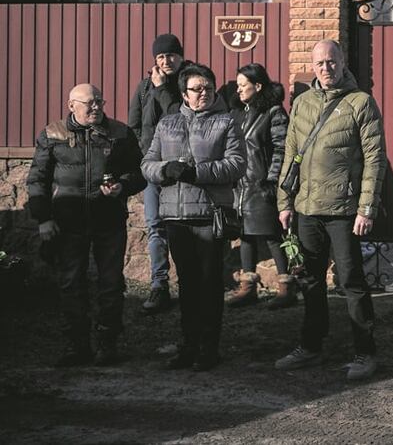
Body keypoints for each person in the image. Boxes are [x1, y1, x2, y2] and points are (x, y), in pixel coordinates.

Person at [274, 40, 387, 382]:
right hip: (307, 208)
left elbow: (375, 159)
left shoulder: (361, 103)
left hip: (343, 209)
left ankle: (365, 353)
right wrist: (284, 201)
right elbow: (290, 153)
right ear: (314, 66)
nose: (326, 68)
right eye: (320, 63)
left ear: (343, 61)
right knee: (310, 281)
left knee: (352, 282)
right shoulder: (302, 103)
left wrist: (366, 208)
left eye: (332, 61)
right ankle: (311, 346)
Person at [27, 84, 145, 366]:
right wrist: (43, 218)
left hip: (109, 221)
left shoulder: (119, 133)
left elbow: (140, 171)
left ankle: (108, 344)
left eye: (99, 102)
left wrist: (122, 186)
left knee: (111, 283)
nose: (96, 107)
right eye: (89, 103)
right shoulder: (52, 134)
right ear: (71, 106)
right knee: (71, 283)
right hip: (67, 224)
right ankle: (76, 346)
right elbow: (37, 180)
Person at [141, 63, 246, 371]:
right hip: (175, 215)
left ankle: (209, 348)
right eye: (198, 89)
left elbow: (237, 164)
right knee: (186, 284)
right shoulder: (167, 124)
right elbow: (147, 162)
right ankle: (189, 345)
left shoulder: (226, 122)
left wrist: (197, 172)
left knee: (210, 283)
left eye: (209, 88)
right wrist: (164, 170)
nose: (204, 94)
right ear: (184, 93)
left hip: (209, 215)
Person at [128, 33, 191, 315]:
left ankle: (191, 283)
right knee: (155, 227)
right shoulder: (143, 88)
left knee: (185, 229)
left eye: (171, 55)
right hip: (153, 170)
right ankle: (159, 285)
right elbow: (135, 127)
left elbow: (180, 119)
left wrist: (163, 88)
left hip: (180, 169)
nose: (166, 61)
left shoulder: (188, 84)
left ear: (180, 55)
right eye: (160, 57)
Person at [226, 63, 296, 309]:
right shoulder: (239, 113)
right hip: (241, 186)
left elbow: (282, 149)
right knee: (245, 235)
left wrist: (272, 180)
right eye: (237, 85)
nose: (239, 89)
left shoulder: (274, 113)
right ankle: (248, 287)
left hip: (262, 185)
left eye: (243, 85)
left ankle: (286, 287)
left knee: (271, 235)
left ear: (258, 86)